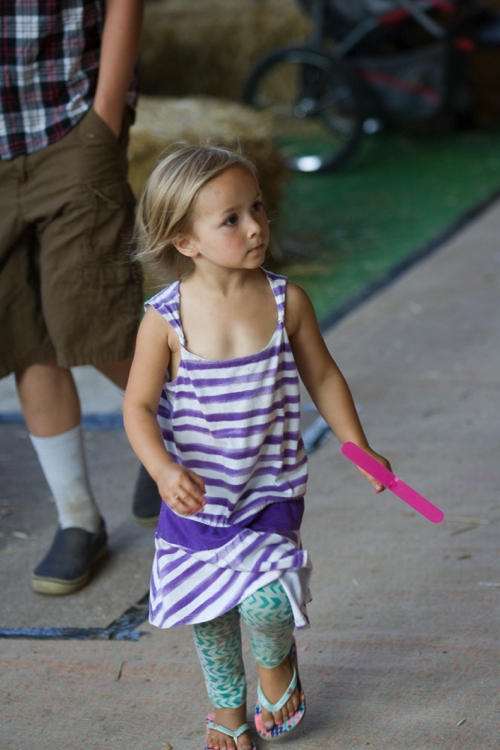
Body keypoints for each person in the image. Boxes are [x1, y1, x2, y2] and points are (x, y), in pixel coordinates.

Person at [123, 145, 391, 750]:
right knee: (211, 612)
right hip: (199, 499)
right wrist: (162, 469)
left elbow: (322, 375)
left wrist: (358, 446)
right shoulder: (163, 320)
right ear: (185, 242)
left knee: (268, 602)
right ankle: (226, 708)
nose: (255, 227)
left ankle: (276, 663)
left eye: (258, 208)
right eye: (231, 219)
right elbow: (137, 407)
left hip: (269, 488)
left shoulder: (285, 300)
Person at [0, 0, 161, 596]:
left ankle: (172, 431)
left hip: (69, 130)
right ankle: (77, 518)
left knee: (93, 320)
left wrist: (104, 118)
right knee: (25, 338)